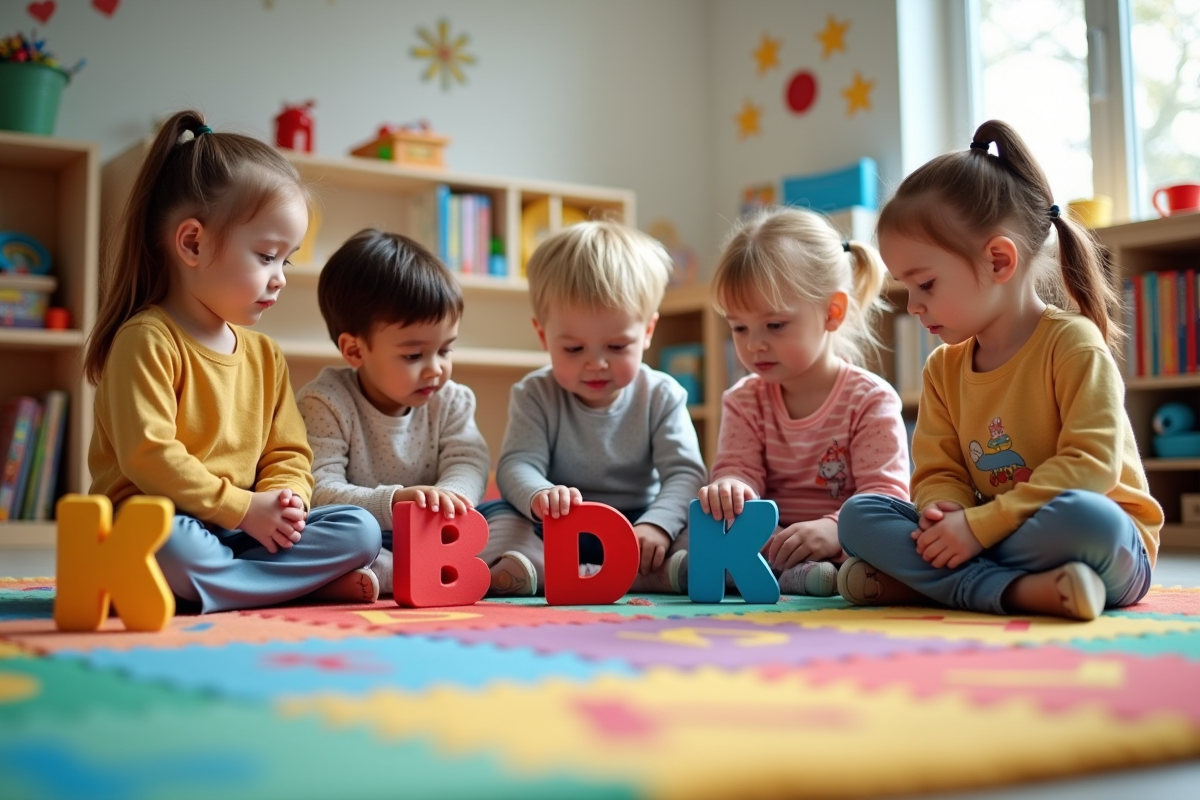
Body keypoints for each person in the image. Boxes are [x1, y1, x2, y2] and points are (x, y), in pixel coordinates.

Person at [837, 120, 1162, 620]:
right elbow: (938, 470)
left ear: (998, 260)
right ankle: (1020, 593)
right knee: (860, 516)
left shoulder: (1072, 344)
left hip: (1098, 541)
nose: (914, 307)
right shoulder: (943, 368)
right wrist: (943, 510)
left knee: (1088, 518)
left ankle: (936, 583)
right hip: (990, 534)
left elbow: (1090, 469)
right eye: (906, 288)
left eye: (925, 284)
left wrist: (980, 528)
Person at [84, 109, 382, 614]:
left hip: (241, 526)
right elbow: (149, 457)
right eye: (267, 256)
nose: (280, 277)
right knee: (175, 544)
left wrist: (285, 501)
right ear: (193, 243)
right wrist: (243, 508)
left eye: (285, 261)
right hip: (154, 523)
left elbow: (288, 453)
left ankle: (228, 585)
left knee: (361, 530)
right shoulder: (147, 339)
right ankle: (285, 586)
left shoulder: (265, 356)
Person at [297, 229, 531, 596]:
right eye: (413, 355)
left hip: (439, 531)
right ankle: (398, 572)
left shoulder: (452, 399)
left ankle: (462, 568)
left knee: (506, 515)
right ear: (355, 350)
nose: (435, 369)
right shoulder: (325, 402)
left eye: (446, 350)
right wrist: (395, 502)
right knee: (326, 530)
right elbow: (318, 490)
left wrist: (450, 497)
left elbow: (468, 460)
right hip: (371, 530)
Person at [484, 221, 708, 593]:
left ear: (648, 331)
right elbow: (516, 464)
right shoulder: (535, 393)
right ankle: (537, 568)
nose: (596, 363)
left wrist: (658, 524)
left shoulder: (662, 394)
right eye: (574, 349)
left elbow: (685, 474)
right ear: (544, 336)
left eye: (617, 347)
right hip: (556, 524)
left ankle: (649, 568)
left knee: (699, 528)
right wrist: (540, 494)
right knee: (499, 518)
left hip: (637, 526)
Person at [697, 207, 910, 596]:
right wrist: (730, 486)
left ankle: (813, 577)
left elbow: (885, 497)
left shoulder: (869, 400)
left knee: (885, 544)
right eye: (739, 327)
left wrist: (833, 529)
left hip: (845, 545)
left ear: (832, 312)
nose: (753, 344)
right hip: (767, 542)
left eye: (774, 325)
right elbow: (738, 469)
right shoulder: (743, 400)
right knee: (711, 526)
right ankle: (790, 576)